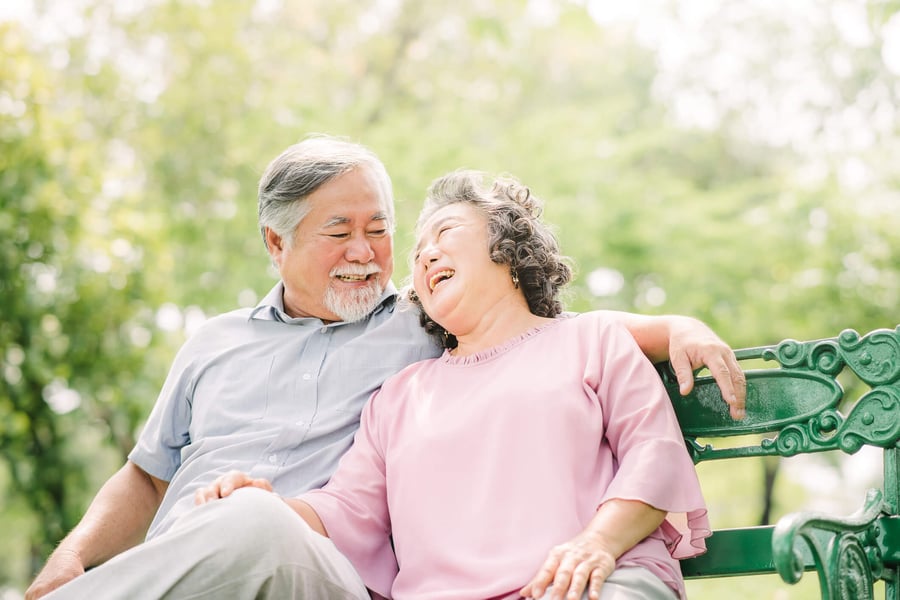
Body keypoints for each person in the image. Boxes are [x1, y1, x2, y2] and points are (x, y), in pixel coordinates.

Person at [27, 136, 743, 600]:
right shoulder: (390, 389)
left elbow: (608, 400)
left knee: (255, 526)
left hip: (546, 581)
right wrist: (83, 556)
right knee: (248, 520)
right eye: (339, 232)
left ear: (506, 251)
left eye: (386, 231)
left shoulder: (490, 334)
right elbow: (336, 502)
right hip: (201, 563)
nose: (383, 252)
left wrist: (676, 326)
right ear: (275, 244)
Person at [196, 169, 711, 600]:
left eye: (443, 234)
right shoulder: (398, 397)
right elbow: (348, 509)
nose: (424, 257)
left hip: (594, 581)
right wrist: (265, 509)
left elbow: (653, 452)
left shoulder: (593, 340)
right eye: (418, 253)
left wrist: (597, 544)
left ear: (507, 250)